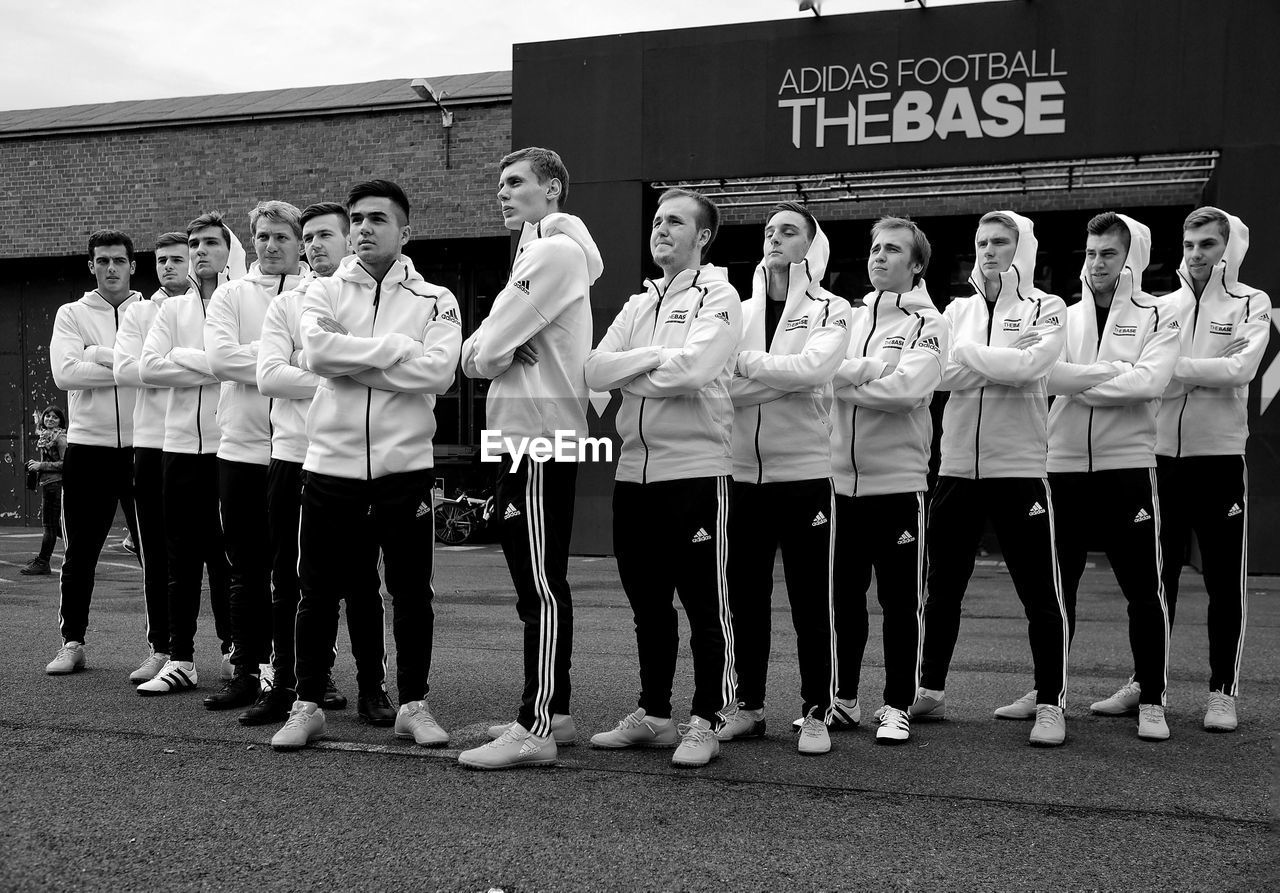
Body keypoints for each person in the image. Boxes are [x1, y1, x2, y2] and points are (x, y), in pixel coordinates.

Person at [271, 180, 462, 751]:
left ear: (406, 230)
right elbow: (320, 354)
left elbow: (439, 375)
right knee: (317, 591)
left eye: (378, 219)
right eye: (356, 219)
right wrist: (398, 349)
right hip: (330, 466)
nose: (363, 229)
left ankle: (413, 703)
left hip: (405, 470)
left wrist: (350, 359)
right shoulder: (323, 292)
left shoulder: (438, 298)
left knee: (410, 592)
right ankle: (307, 704)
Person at [583, 188, 742, 768]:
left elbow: (695, 371)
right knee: (647, 602)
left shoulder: (721, 296)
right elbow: (594, 369)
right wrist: (654, 360)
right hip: (634, 473)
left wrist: (638, 365)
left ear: (702, 237)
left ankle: (706, 718)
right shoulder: (638, 301)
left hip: (696, 473)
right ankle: (654, 714)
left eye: (675, 222)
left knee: (705, 602)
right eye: (656, 220)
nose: (661, 229)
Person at [457, 147, 603, 769]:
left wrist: (487, 349)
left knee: (540, 587)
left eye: (515, 183)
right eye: (499, 184)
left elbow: (483, 351)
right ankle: (555, 712)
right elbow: (484, 347)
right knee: (534, 583)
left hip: (539, 439)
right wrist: (487, 347)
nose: (502, 192)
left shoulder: (553, 253)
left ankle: (537, 725)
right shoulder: (536, 251)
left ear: (552, 190)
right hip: (523, 437)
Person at [914, 210, 1071, 747]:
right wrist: (1004, 359)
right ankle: (930, 689)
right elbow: (939, 374)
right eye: (982, 242)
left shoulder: (1047, 306)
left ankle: (1050, 701)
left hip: (1020, 468)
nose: (989, 251)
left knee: (1038, 590)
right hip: (957, 465)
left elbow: (1033, 369)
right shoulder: (954, 308)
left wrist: (972, 358)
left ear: (1020, 247)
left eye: (1000, 242)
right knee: (944, 587)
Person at [717, 201, 850, 756]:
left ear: (810, 246)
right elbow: (716, 384)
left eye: (788, 231)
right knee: (744, 599)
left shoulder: (832, 307)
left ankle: (816, 711)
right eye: (770, 230)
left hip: (804, 477)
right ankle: (747, 706)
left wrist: (745, 365)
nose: (774, 237)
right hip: (741, 476)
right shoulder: (736, 309)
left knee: (811, 600)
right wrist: (782, 378)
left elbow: (817, 371)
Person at [1046, 212, 1178, 741]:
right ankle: (1049, 696)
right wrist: (1115, 373)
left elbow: (1151, 384)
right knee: (1056, 592)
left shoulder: (1158, 313)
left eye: (1109, 254)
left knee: (1144, 590)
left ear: (1132, 259)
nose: (1097, 263)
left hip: (1128, 468)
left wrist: (1081, 380)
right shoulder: (1062, 312)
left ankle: (1152, 697)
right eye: (1091, 252)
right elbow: (1044, 374)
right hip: (1062, 465)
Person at [250, 201, 382, 726]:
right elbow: (268, 378)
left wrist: (324, 360)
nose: (313, 246)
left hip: (353, 462)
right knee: (288, 580)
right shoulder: (287, 305)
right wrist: (343, 368)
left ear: (352, 240)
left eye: (326, 235)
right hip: (290, 457)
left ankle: (374, 688)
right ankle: (285, 687)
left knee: (362, 584)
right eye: (309, 238)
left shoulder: (372, 301)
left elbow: (402, 365)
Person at [1148, 208, 1271, 732]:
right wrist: (1206, 367)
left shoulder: (1252, 302)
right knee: (1156, 583)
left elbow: (1241, 369)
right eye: (1190, 243)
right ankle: (1146, 682)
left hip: (1220, 460)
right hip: (1158, 459)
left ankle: (1223, 692)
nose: (1196, 253)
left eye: (1208, 244)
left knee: (1224, 582)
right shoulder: (1162, 305)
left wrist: (1171, 368)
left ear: (1230, 250)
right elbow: (1146, 374)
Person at [829, 217, 949, 745]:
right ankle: (843, 699)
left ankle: (897, 703)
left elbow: (907, 392)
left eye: (893, 250)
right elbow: (819, 374)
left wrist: (846, 381)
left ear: (916, 264)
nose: (879, 257)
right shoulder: (848, 318)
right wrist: (870, 371)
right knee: (843, 600)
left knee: (900, 603)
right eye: (876, 249)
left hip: (898, 486)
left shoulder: (931, 323)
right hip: (838, 485)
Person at [202, 201, 310, 712]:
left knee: (298, 572)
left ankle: (304, 676)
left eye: (280, 237)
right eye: (262, 237)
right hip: (240, 451)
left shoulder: (318, 293)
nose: (269, 246)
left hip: (299, 452)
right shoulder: (229, 294)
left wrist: (266, 360)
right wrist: (281, 359)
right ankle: (246, 671)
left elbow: (330, 359)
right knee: (244, 569)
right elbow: (222, 359)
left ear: (300, 242)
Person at [136, 213, 245, 694]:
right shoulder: (172, 309)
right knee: (179, 559)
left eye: (210, 243)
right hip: (177, 447)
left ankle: (233, 649)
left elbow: (249, 363)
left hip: (228, 448)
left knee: (229, 558)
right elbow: (148, 368)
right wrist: (214, 366)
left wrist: (186, 359)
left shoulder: (241, 303)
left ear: (228, 251)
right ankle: (180, 658)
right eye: (194, 243)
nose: (200, 251)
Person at [44, 230, 142, 675]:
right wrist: (132, 367)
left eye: (118, 260)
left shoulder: (153, 309)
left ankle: (164, 648)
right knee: (80, 552)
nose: (111, 268)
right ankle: (72, 642)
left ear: (132, 265)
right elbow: (66, 374)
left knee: (156, 553)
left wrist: (98, 356)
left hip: (145, 448)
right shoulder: (72, 313)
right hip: (88, 449)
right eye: (102, 261)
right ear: (91, 266)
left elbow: (161, 367)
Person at [112, 231, 189, 682]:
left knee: (219, 554)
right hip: (151, 445)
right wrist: (192, 365)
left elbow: (229, 364)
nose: (169, 267)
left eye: (177, 259)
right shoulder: (140, 311)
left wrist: (162, 363)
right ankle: (162, 647)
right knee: (155, 552)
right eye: (161, 260)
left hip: (203, 445)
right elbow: (126, 370)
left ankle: (232, 647)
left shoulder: (212, 306)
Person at [22, 406, 68, 576]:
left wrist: (41, 465)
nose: (50, 419)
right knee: (55, 527)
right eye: (47, 416)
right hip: (48, 484)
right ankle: (81, 547)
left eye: (55, 417)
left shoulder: (60, 438)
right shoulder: (45, 436)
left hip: (56, 485)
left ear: (60, 421)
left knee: (49, 526)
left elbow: (66, 464)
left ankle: (43, 562)